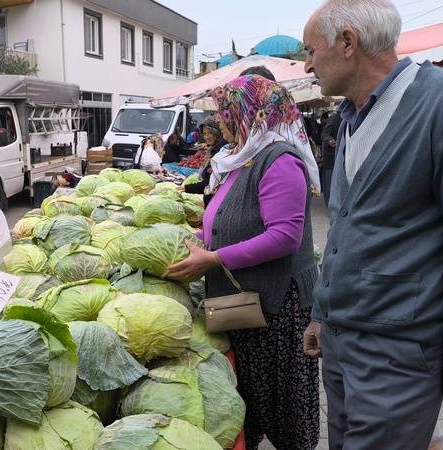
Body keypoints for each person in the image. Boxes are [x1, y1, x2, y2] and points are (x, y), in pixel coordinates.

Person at [302, 1, 443, 449]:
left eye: (310, 50)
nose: (306, 65)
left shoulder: (435, 105)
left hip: (399, 353)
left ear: (348, 42)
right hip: (342, 346)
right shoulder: (351, 117)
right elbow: (344, 226)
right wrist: (321, 314)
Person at [167, 75, 322, 450]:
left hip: (276, 313)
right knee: (249, 405)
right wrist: (199, 241)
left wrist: (215, 258)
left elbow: (285, 236)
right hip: (248, 307)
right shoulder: (242, 156)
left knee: (285, 413)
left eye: (225, 110)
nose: (219, 119)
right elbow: (234, 221)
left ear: (249, 112)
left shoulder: (279, 159)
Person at [182, 118, 226, 204]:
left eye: (210, 133)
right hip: (210, 195)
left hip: (216, 198)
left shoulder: (220, 152)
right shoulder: (212, 149)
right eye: (204, 134)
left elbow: (211, 182)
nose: (206, 136)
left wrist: (188, 188)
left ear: (216, 132)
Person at [319, 111, 341, 205]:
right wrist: (332, 141)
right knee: (329, 184)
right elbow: (325, 135)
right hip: (331, 158)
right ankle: (330, 205)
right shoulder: (335, 117)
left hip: (341, 157)